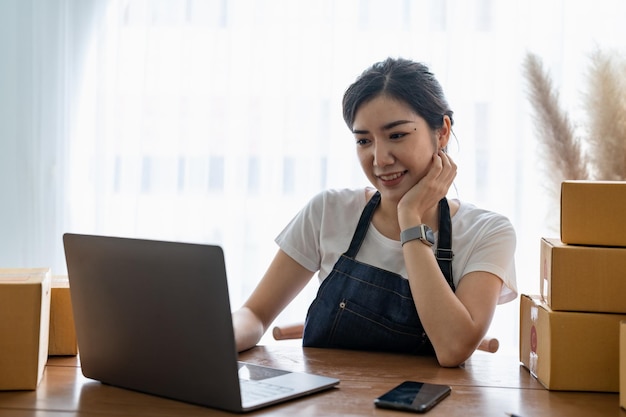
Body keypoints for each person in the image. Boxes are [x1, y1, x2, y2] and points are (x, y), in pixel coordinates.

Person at [232, 57, 517, 367]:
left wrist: (410, 218)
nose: (379, 159)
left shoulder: (489, 232)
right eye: (364, 140)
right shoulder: (328, 211)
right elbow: (255, 315)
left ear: (442, 132)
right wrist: (212, 340)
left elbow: (453, 348)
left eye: (396, 135)